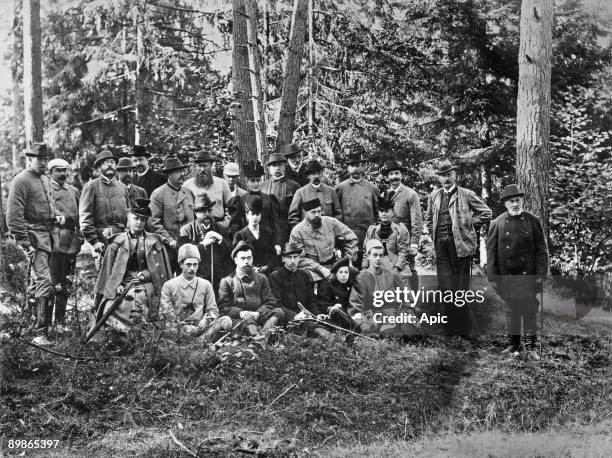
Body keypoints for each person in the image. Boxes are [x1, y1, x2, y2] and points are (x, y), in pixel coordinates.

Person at [424, 159, 492, 335]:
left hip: (461, 246)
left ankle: (462, 328)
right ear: (439, 178)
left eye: (449, 174)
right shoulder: (434, 196)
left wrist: (469, 225)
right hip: (441, 246)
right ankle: (449, 328)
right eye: (443, 175)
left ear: (455, 175)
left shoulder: (466, 194)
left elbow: (486, 213)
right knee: (445, 286)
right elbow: (429, 218)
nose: (446, 178)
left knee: (460, 287)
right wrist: (434, 235)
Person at [7, 143, 63, 345]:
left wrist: (58, 217)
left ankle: (32, 323)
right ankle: (41, 332)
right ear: (29, 160)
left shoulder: (46, 180)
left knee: (43, 281)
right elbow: (13, 216)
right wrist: (25, 243)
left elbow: (49, 207)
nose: (44, 163)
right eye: (40, 159)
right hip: (34, 239)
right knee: (44, 281)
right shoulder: (21, 180)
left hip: (50, 237)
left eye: (46, 159)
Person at [487, 184, 549, 359]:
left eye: (517, 200)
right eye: (511, 201)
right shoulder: (497, 223)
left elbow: (541, 251)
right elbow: (491, 253)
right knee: (511, 311)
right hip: (506, 277)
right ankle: (514, 345)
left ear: (521, 201)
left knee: (529, 311)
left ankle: (531, 347)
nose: (515, 204)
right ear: (505, 204)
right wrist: (493, 277)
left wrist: (540, 275)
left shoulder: (533, 221)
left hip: (528, 276)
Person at [93, 198, 172, 333]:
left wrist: (145, 275)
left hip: (147, 283)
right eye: (136, 218)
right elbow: (108, 273)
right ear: (128, 218)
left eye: (143, 219)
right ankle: (119, 333)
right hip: (123, 283)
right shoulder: (116, 243)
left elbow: (159, 272)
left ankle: (140, 333)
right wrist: (117, 284)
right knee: (111, 305)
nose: (139, 223)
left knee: (138, 299)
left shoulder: (154, 242)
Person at [159, 243, 232, 342]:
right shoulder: (169, 285)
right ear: (181, 264)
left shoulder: (205, 284)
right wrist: (184, 327)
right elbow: (165, 313)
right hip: (179, 328)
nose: (192, 268)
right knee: (169, 329)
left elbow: (213, 311)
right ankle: (201, 342)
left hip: (200, 328)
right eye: (188, 264)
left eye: (195, 264)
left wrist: (206, 320)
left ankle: (198, 341)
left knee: (226, 321)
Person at [218, 241, 285, 337]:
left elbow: (270, 302)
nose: (246, 262)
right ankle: (260, 337)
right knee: (248, 323)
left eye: (249, 258)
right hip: (240, 319)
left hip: (259, 316)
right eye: (243, 258)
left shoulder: (262, 278)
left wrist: (258, 313)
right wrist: (240, 313)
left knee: (278, 312)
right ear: (235, 260)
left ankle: (262, 335)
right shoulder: (227, 281)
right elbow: (223, 308)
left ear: (252, 259)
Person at [48, 159, 83, 334]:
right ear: (50, 172)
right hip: (53, 241)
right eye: (58, 170)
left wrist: (81, 235)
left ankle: (60, 322)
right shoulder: (47, 190)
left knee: (66, 281)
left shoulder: (74, 191)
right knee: (51, 283)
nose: (62, 174)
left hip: (71, 243)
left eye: (64, 170)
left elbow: (80, 217)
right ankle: (45, 322)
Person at [79, 147, 130, 266]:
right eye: (105, 163)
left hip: (122, 240)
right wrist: (94, 241)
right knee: (105, 279)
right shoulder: (91, 187)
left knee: (123, 276)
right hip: (102, 240)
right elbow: (85, 218)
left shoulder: (122, 188)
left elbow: (129, 214)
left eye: (112, 162)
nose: (109, 165)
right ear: (98, 167)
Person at [268, 242, 330, 338]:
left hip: (305, 318)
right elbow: (277, 305)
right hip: (286, 320)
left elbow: (311, 300)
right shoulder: (275, 276)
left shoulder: (304, 275)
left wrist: (317, 314)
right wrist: (294, 316)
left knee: (324, 330)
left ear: (299, 258)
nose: (293, 261)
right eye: (289, 257)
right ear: (283, 259)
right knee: (319, 333)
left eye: (295, 257)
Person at [289, 198, 358, 282]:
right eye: (313, 212)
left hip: (335, 264)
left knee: (356, 275)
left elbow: (351, 237)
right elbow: (299, 258)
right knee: (302, 278)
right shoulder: (297, 231)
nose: (317, 215)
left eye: (319, 211)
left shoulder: (331, 222)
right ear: (306, 213)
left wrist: (348, 259)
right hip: (312, 269)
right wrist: (321, 269)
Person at [178, 193, 232, 295]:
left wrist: (221, 239)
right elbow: (182, 255)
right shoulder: (186, 230)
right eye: (203, 210)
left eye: (209, 210)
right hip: (195, 280)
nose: (207, 213)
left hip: (218, 281)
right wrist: (203, 245)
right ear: (195, 213)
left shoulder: (220, 229)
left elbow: (232, 254)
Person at [349, 239, 408, 333]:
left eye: (381, 255)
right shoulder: (361, 277)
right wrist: (362, 323)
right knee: (389, 332)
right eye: (375, 255)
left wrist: (404, 313)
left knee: (413, 331)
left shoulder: (391, 275)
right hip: (372, 316)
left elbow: (406, 297)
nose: (378, 258)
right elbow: (355, 305)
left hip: (392, 314)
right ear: (368, 256)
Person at [381, 161, 423, 288]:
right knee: (391, 269)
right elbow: (382, 219)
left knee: (409, 269)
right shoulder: (384, 195)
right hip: (388, 240)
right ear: (387, 177)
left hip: (405, 240)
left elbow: (417, 220)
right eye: (391, 174)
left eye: (397, 173)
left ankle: (414, 300)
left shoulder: (411, 194)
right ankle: (395, 301)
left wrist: (414, 243)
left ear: (402, 176)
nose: (394, 177)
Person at [149, 157, 194, 272]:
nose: (183, 174)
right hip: (169, 248)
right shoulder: (158, 194)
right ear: (169, 174)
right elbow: (153, 222)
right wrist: (169, 240)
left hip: (189, 245)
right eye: (178, 171)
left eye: (182, 171)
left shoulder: (188, 192)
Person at [335, 152, 380, 267]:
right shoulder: (340, 188)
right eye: (352, 165)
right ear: (348, 167)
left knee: (365, 269)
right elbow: (336, 213)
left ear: (363, 167)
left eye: (357, 165)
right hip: (346, 238)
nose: (355, 168)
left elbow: (378, 215)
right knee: (348, 269)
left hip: (366, 237)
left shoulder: (372, 188)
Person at [228, 161, 282, 253]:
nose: (256, 184)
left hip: (267, 242)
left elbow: (275, 223)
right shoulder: (240, 200)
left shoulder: (269, 199)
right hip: (247, 242)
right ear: (247, 182)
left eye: (258, 180)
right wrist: (237, 243)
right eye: (252, 180)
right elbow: (235, 225)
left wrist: (277, 243)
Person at [362, 196, 411, 278]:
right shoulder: (372, 230)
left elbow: (403, 251)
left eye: (387, 211)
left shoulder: (399, 229)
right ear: (378, 213)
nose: (384, 214)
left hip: (395, 263)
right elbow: (367, 251)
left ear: (392, 213)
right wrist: (364, 266)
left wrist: (397, 267)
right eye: (381, 211)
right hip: (377, 264)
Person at [232, 195, 280, 276]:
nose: (255, 217)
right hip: (247, 273)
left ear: (261, 215)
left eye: (257, 214)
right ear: (247, 215)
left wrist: (267, 266)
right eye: (252, 214)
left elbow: (273, 256)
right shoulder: (240, 235)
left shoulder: (268, 233)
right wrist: (251, 268)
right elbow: (235, 258)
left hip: (266, 273)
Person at [183, 150, 231, 227]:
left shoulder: (222, 183)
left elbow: (230, 207)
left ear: (211, 166)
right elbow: (185, 210)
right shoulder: (187, 185)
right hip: (197, 228)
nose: (202, 169)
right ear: (196, 166)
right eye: (199, 166)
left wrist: (225, 223)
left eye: (205, 166)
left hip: (219, 225)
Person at [288, 159, 342, 226]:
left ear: (322, 174)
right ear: (308, 176)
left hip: (327, 232)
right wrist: (301, 232)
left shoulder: (331, 191)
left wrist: (332, 229)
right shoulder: (300, 193)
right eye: (313, 173)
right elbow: (293, 217)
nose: (316, 176)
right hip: (308, 233)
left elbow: (338, 214)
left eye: (319, 173)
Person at [262, 153, 300, 242]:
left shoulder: (294, 186)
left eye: (280, 165)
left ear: (285, 166)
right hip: (269, 231)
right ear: (269, 168)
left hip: (288, 230)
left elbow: (299, 211)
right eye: (274, 165)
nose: (277, 168)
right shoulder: (263, 187)